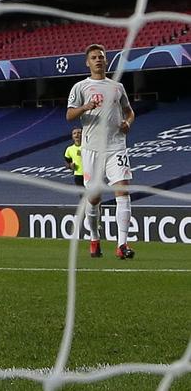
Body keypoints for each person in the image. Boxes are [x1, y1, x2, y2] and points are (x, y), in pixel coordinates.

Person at [66, 44, 137, 260]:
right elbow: (69, 115)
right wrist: (85, 108)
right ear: (87, 62)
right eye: (94, 57)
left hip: (116, 146)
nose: (98, 60)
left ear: (106, 61)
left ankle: (122, 244)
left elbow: (130, 112)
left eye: (101, 57)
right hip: (92, 149)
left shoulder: (117, 87)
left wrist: (127, 122)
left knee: (122, 191)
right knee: (94, 198)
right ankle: (95, 238)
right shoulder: (80, 87)